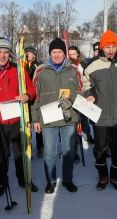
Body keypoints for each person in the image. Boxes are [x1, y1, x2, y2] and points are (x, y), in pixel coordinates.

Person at [84, 30, 117, 192]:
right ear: (101, 48)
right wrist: (89, 94)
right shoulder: (92, 66)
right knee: (100, 149)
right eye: (107, 47)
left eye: (113, 46)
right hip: (100, 116)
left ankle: (115, 175)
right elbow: (86, 83)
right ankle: (103, 175)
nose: (110, 50)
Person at [0, 37, 38, 196]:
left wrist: (27, 96)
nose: (2, 56)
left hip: (17, 120)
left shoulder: (19, 69)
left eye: (5, 52)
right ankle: (2, 182)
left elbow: (32, 90)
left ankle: (24, 179)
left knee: (20, 153)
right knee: (0, 155)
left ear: (10, 54)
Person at [32, 37, 83, 194]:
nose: (57, 55)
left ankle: (67, 180)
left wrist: (74, 100)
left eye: (59, 52)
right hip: (48, 118)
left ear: (64, 53)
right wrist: (35, 119)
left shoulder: (74, 70)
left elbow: (81, 92)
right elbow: (35, 97)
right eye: (54, 52)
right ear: (49, 53)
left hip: (69, 118)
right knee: (49, 153)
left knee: (68, 152)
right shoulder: (41, 71)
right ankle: (51, 181)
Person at [69, 45, 95, 145]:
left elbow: (87, 79)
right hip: (71, 96)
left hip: (82, 95)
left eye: (73, 54)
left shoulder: (82, 65)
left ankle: (87, 136)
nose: (71, 56)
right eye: (70, 54)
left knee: (84, 118)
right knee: (73, 120)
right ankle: (74, 141)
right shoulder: (66, 66)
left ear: (78, 54)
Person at [25, 46, 44, 158]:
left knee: (37, 123)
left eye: (29, 53)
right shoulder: (23, 65)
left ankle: (40, 146)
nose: (27, 55)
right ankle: (28, 147)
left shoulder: (38, 66)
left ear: (34, 55)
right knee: (27, 124)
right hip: (26, 98)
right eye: (26, 52)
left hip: (36, 98)